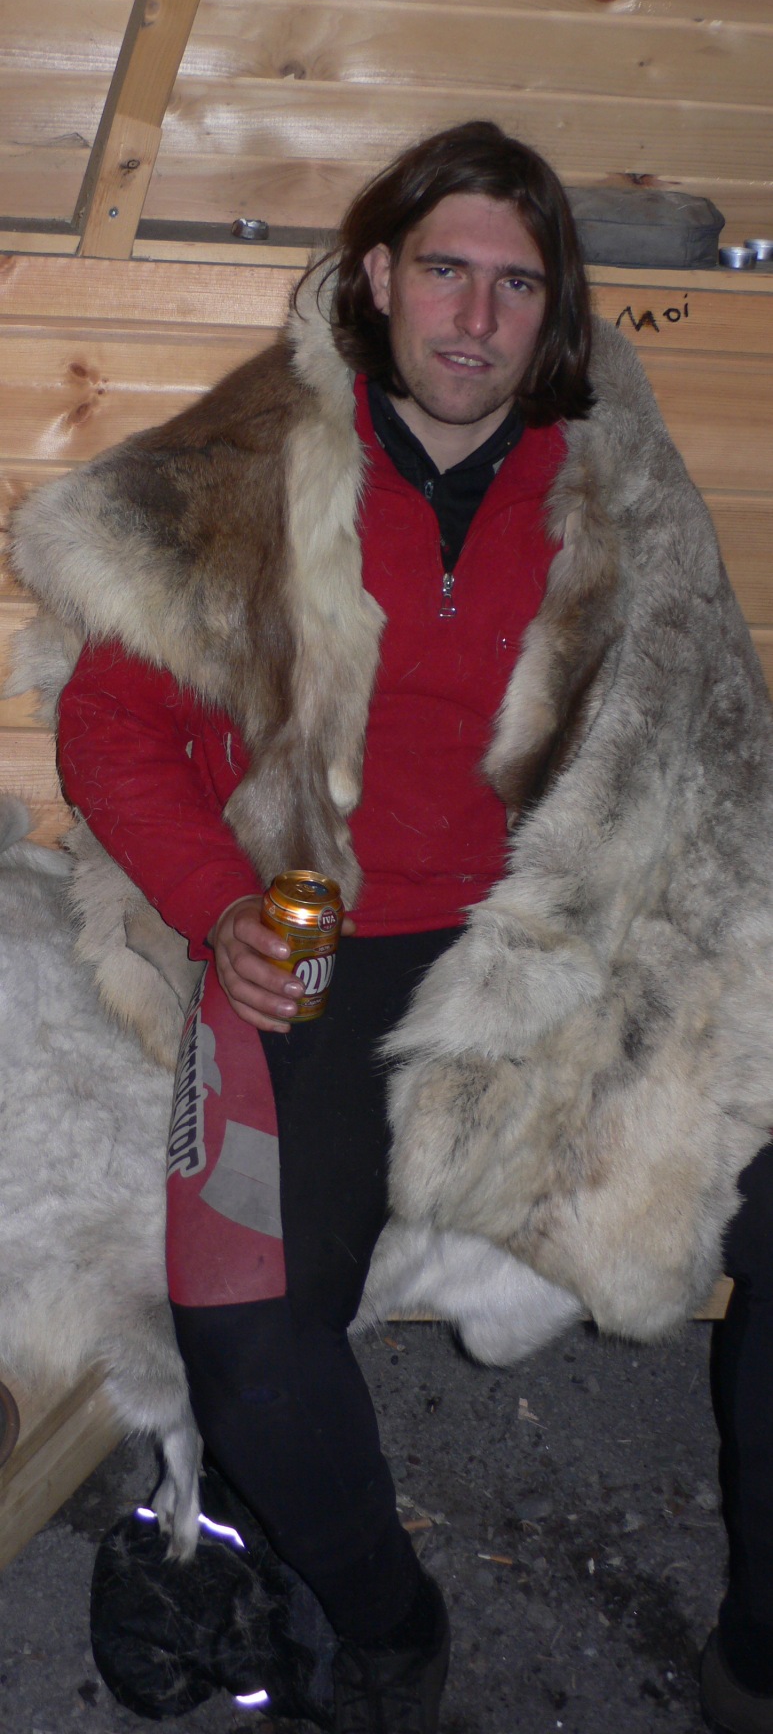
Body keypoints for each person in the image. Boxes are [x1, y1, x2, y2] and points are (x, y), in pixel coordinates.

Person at [10, 121, 773, 1734]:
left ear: (552, 310)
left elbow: (699, 742)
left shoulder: (616, 492)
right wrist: (220, 911)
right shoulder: (252, 468)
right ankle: (388, 1630)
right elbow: (111, 729)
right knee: (243, 1330)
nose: (476, 318)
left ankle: (757, 1656)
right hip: (321, 938)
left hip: (569, 939)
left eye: (516, 284)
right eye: (445, 272)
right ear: (375, 276)